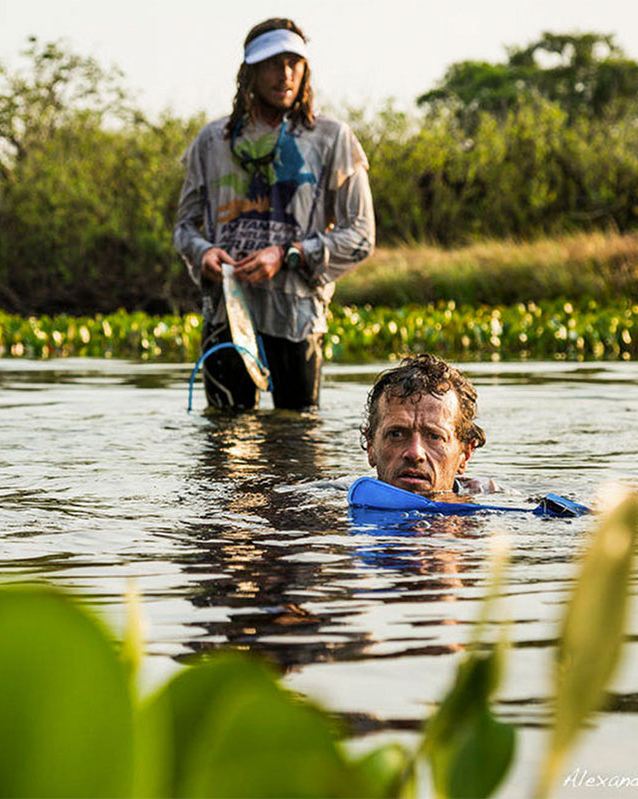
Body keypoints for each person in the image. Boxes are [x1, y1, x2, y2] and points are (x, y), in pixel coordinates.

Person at [173, 17, 375, 411]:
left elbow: (362, 236)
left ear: (305, 70)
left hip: (297, 313)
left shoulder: (332, 138)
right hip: (226, 313)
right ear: (249, 72)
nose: (285, 74)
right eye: (271, 63)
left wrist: (288, 254)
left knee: (299, 445)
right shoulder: (212, 141)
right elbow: (184, 227)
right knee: (224, 448)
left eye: (293, 63)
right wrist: (203, 254)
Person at [359, 354, 497, 497]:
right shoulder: (339, 498)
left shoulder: (499, 504)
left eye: (435, 436)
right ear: (370, 446)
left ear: (465, 455)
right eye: (396, 434)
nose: (415, 453)